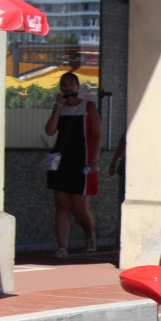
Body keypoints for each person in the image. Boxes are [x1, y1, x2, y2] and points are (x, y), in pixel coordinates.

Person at [44, 71, 101, 258]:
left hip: (82, 161)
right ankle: (62, 247)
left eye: (71, 83)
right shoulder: (60, 108)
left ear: (77, 86)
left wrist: (94, 160)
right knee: (61, 205)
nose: (68, 87)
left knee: (79, 208)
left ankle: (90, 234)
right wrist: (57, 108)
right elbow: (50, 131)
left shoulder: (88, 107)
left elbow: (97, 134)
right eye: (64, 84)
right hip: (61, 161)